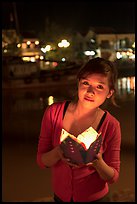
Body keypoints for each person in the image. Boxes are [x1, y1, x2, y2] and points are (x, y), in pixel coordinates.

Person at [36, 57, 121, 202]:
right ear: (78, 84)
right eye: (86, 83)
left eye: (99, 86)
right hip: (60, 198)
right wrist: (58, 152)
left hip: (97, 199)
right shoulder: (53, 113)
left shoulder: (111, 125)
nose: (90, 91)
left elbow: (113, 176)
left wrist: (97, 162)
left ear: (109, 93)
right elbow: (41, 161)